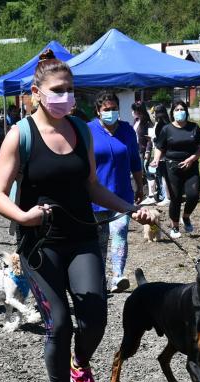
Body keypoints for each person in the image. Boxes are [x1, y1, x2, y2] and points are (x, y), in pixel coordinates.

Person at [0, 49, 153, 382]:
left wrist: (130, 208)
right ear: (36, 92)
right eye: (58, 89)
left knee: (95, 317)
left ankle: (79, 365)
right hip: (40, 244)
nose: (67, 96)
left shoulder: (80, 129)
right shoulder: (20, 135)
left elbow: (92, 186)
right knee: (59, 323)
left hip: (81, 238)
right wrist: (22, 215)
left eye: (71, 89)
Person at [89, 91, 144, 293]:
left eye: (114, 109)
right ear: (98, 111)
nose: (111, 113)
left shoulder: (127, 131)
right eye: (106, 110)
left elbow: (135, 160)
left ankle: (117, 276)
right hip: (96, 197)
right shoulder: (88, 131)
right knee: (100, 240)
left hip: (122, 195)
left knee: (120, 232)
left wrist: (140, 184)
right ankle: (98, 279)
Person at [150, 100, 200, 238]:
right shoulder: (167, 129)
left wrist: (192, 159)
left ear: (186, 111)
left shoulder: (194, 127)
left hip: (191, 166)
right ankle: (174, 227)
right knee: (175, 198)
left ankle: (185, 217)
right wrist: (156, 159)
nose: (180, 112)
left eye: (182, 109)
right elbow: (160, 147)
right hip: (172, 167)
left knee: (193, 194)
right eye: (177, 110)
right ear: (172, 113)